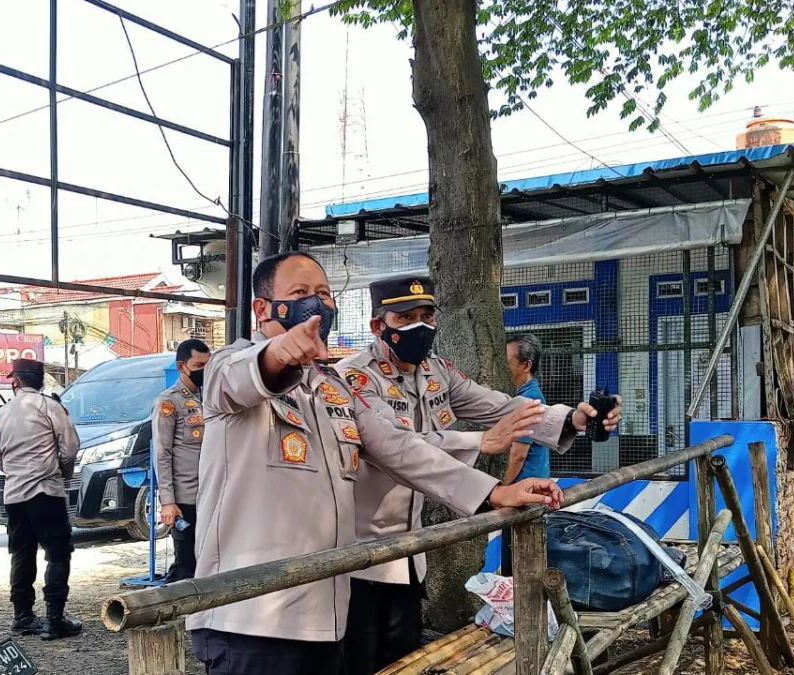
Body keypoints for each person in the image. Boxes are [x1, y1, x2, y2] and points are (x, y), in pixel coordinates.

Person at [188, 251, 567, 675]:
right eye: (300, 293)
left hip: (324, 614)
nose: (316, 304)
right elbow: (247, 375)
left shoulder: (333, 388)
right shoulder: (228, 366)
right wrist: (279, 352)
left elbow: (400, 449)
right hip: (252, 618)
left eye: (324, 294)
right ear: (262, 309)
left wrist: (494, 493)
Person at [336, 276, 623, 675]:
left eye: (427, 315)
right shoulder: (352, 379)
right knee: (359, 661)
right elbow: (398, 448)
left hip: (410, 554)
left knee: (402, 660)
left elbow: (502, 406)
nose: (420, 326)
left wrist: (573, 419)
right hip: (357, 557)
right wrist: (481, 450)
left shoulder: (436, 372)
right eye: (405, 317)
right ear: (377, 326)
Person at [0, 358, 83, 640]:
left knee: (21, 553)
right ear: (40, 381)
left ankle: (23, 617)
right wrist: (59, 475)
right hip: (46, 491)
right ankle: (55, 618)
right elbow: (70, 448)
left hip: (15, 495)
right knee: (58, 553)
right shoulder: (51, 407)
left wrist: (18, 472)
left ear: (15, 381)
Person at [153, 338, 211, 583]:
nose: (204, 372)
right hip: (185, 499)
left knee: (208, 565)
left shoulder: (211, 399)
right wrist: (168, 502)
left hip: (211, 494)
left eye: (207, 365)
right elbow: (162, 453)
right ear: (181, 366)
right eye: (198, 366)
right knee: (187, 569)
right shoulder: (169, 402)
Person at [504, 334, 553, 485]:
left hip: (525, 487)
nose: (502, 369)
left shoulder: (527, 400)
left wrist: (500, 489)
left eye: (507, 363)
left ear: (526, 366)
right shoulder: (530, 395)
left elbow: (518, 454)